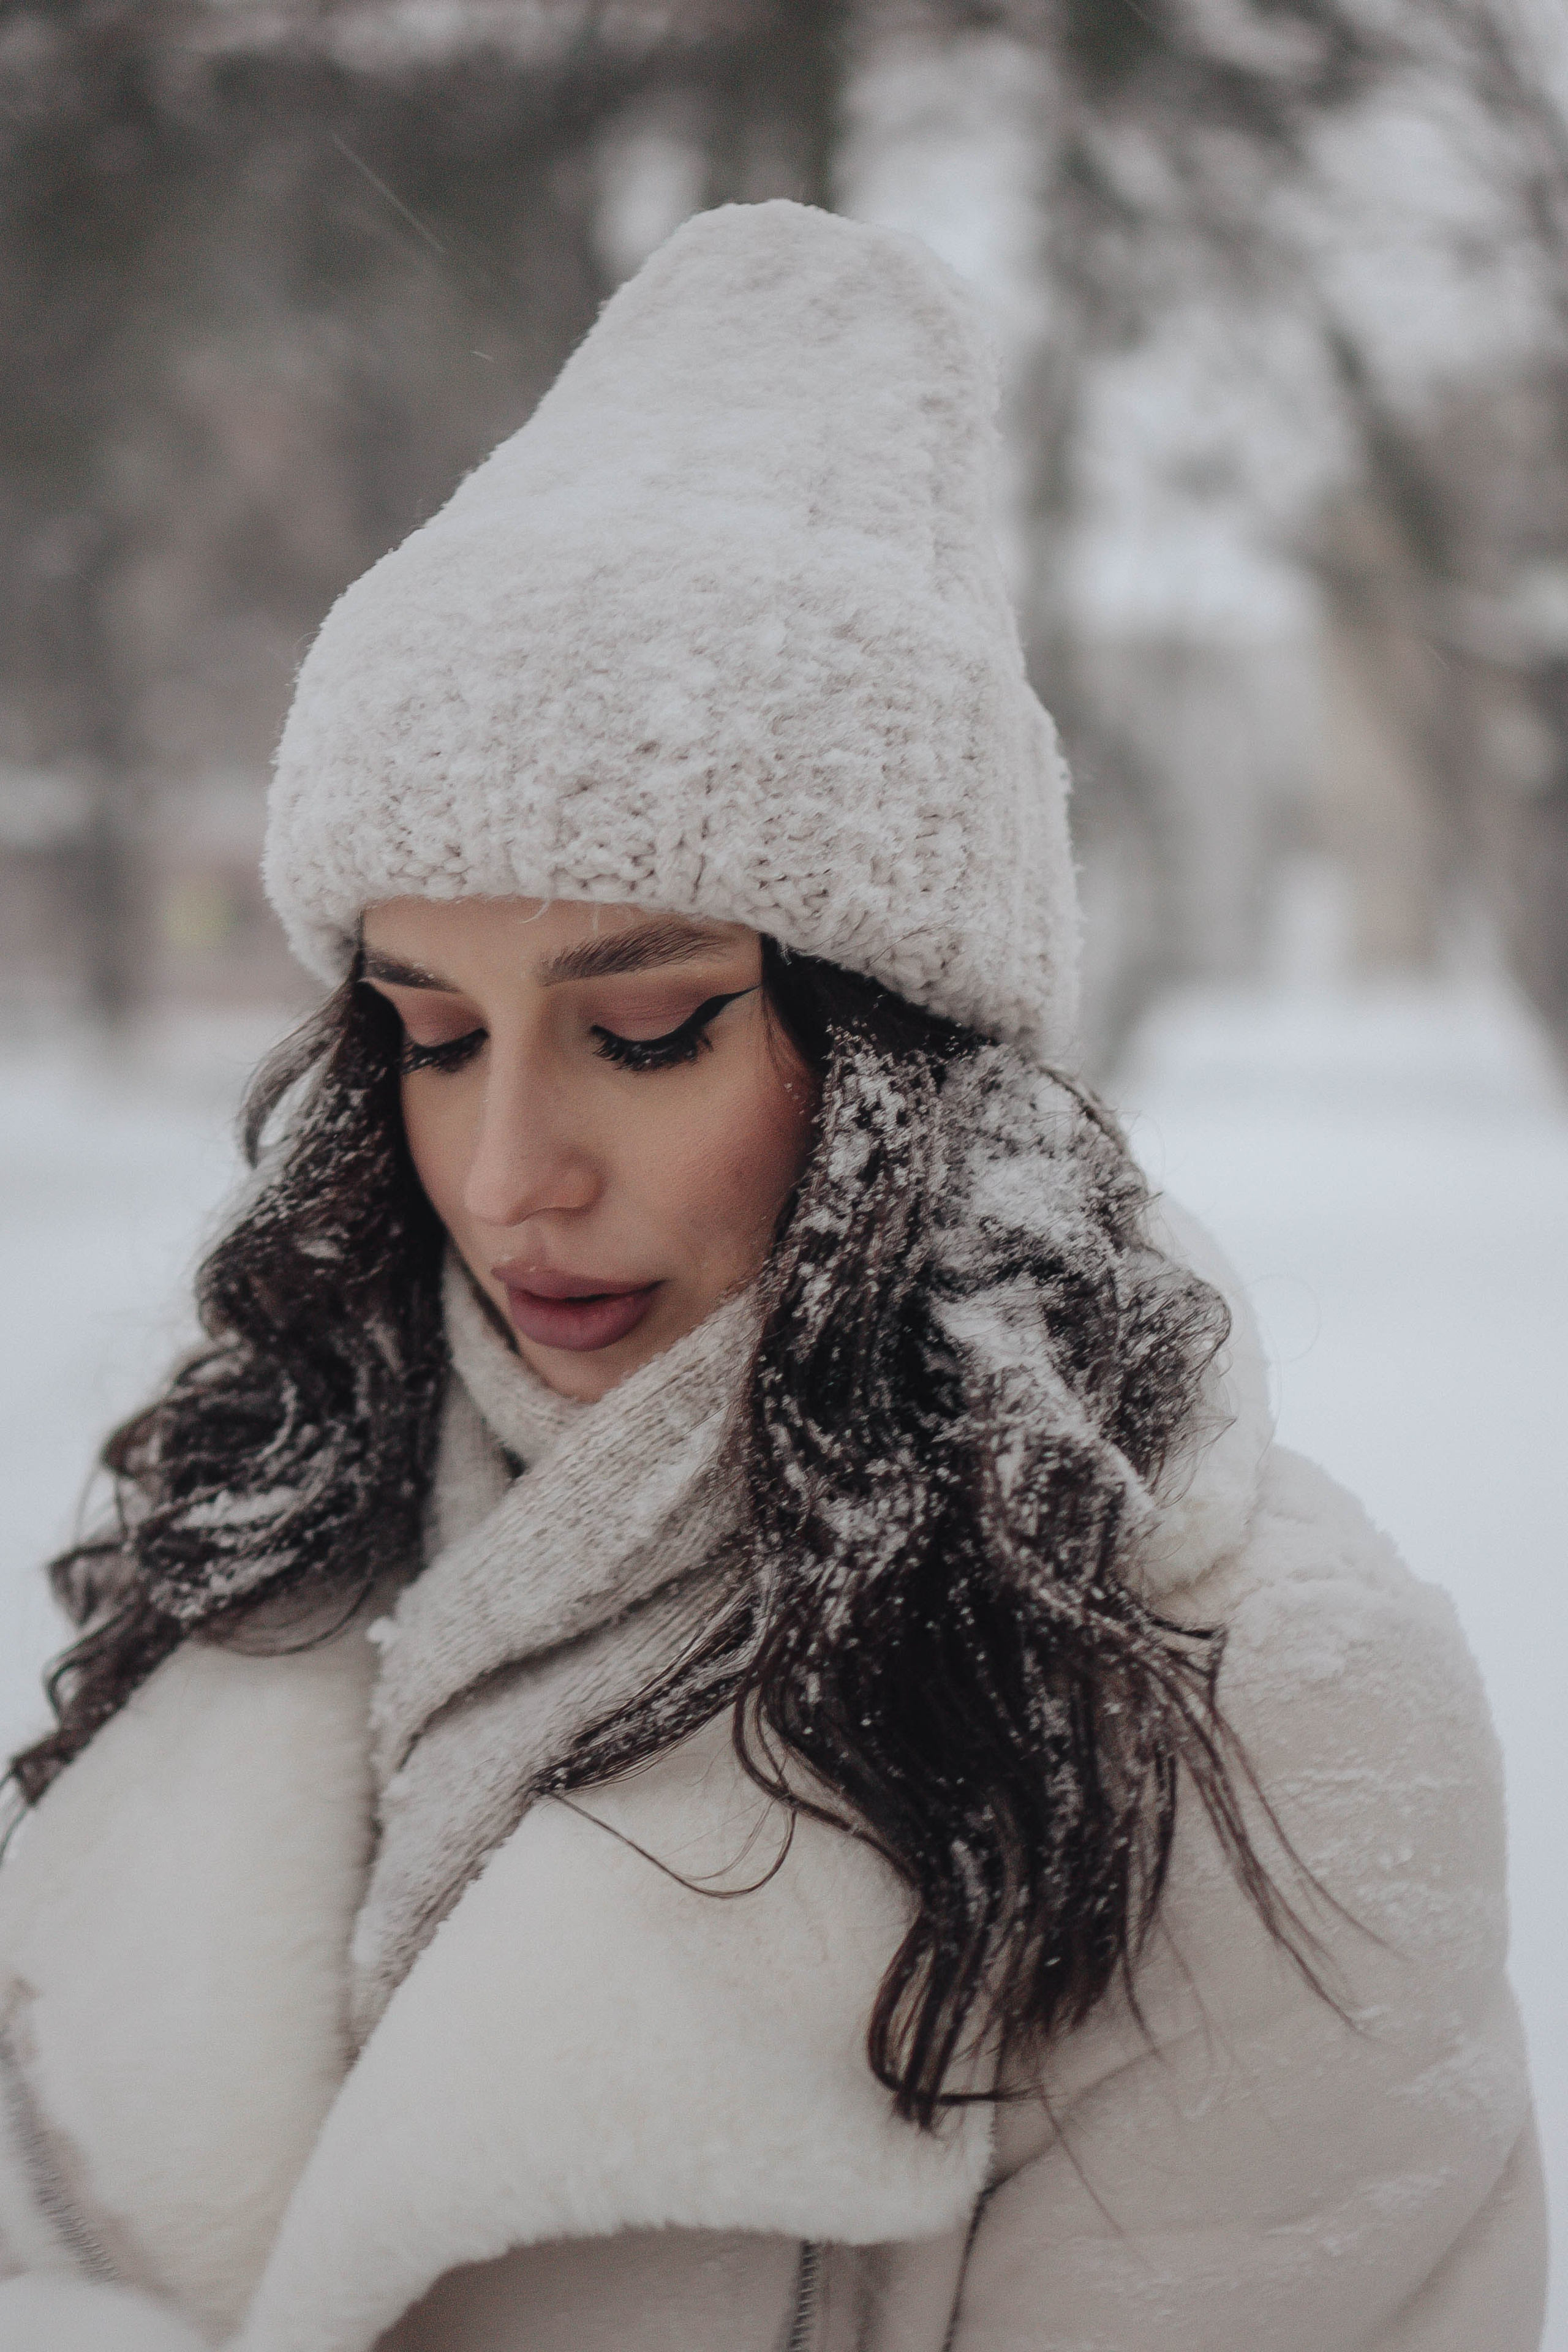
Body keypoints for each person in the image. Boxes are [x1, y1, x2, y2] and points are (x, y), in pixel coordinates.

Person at [0, 202, 1544, 2352]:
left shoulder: (1256, 1696)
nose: (510, 1168)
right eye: (432, 1036)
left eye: (646, 1031)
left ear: (898, 1061)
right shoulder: (280, 1516)